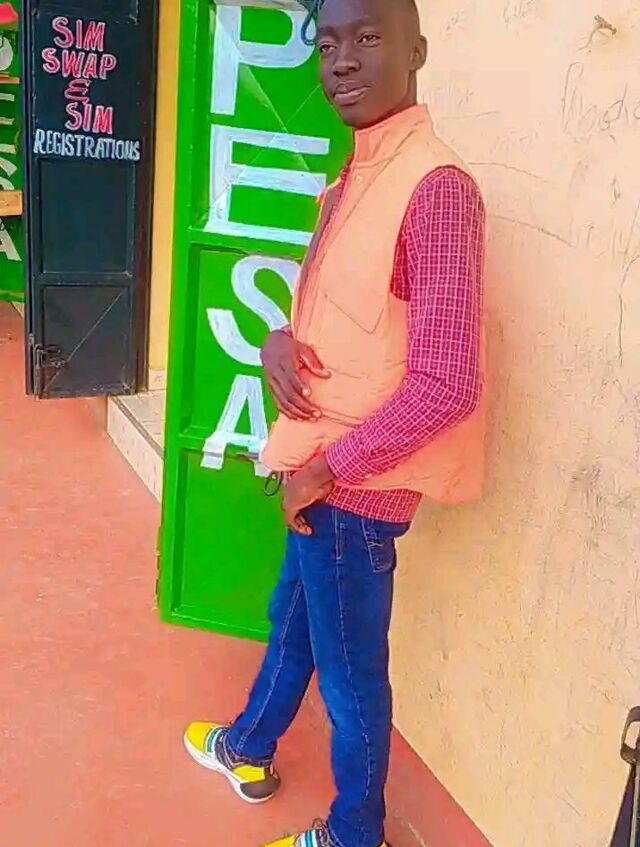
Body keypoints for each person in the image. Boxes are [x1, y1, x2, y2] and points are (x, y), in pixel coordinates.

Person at [184, 0, 487, 844]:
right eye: (327, 44)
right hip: (320, 476)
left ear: (416, 51)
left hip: (352, 487)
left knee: (352, 683)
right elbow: (345, 316)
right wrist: (277, 341)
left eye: (367, 39)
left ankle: (355, 831)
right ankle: (248, 745)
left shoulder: (436, 189)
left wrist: (324, 471)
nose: (342, 60)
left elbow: (448, 382)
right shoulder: (356, 178)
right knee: (292, 619)